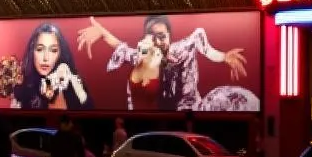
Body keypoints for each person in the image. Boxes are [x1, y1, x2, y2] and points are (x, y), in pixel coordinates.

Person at [78, 14, 248, 111]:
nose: (158, 42)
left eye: (162, 37)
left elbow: (201, 43)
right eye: (153, 37)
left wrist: (224, 57)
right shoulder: (143, 57)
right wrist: (102, 32)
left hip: (194, 108)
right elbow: (121, 46)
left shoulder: (179, 50)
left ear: (169, 36)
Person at [11, 23, 92, 110]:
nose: (46, 58)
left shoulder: (72, 82)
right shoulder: (22, 86)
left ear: (60, 53)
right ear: (32, 51)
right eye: (40, 49)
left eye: (53, 50)